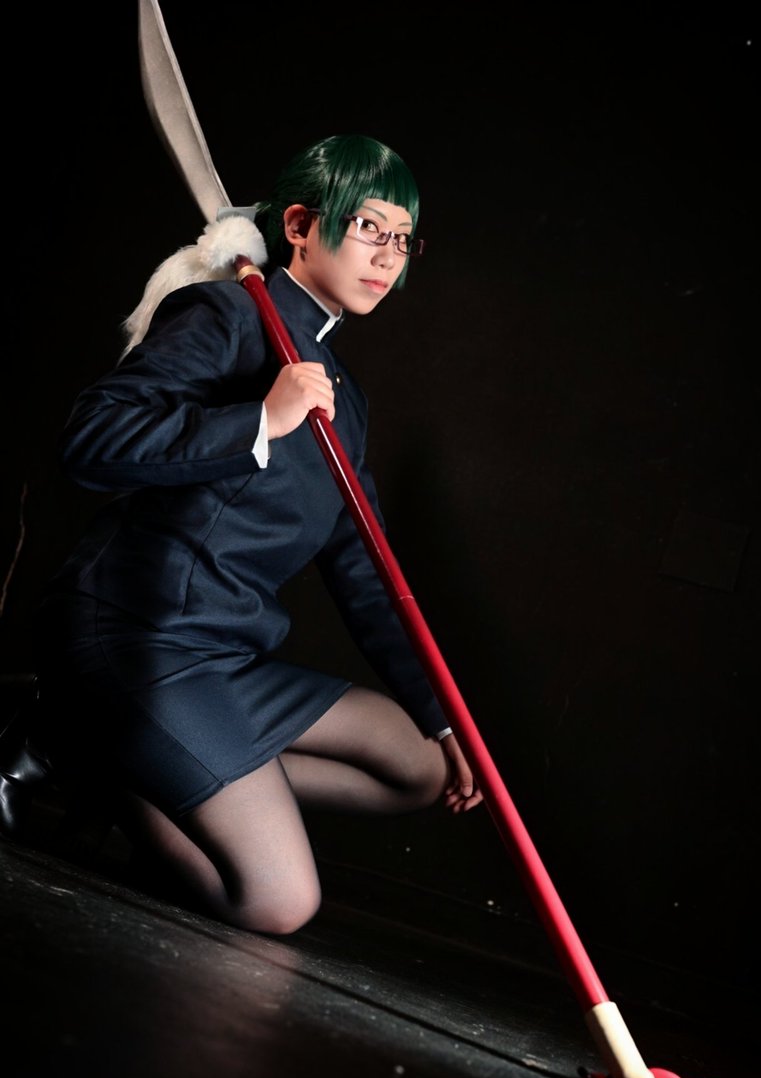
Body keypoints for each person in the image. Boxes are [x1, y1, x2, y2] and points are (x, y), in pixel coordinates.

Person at [29, 133, 483, 935]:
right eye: (370, 227)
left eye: (404, 238)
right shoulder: (225, 316)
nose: (389, 255)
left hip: (228, 659)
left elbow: (364, 567)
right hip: (140, 640)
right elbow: (91, 441)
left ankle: (148, 762)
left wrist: (444, 715)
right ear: (301, 226)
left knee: (420, 762)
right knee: (280, 902)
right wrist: (260, 420)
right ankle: (104, 756)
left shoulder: (343, 397)